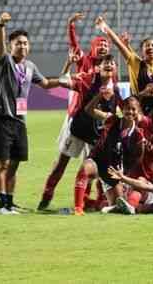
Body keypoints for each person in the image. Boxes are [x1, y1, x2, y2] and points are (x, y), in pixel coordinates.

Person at [0, 12, 70, 214]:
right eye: (18, 43)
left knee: (15, 164)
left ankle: (10, 201)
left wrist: (66, 76)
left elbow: (45, 84)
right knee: (3, 163)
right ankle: (2, 205)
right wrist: (0, 26)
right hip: (2, 118)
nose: (23, 46)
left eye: (25, 43)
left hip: (20, 120)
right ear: (11, 46)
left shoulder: (30, 67)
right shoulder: (5, 61)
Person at [37, 54, 120, 210]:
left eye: (112, 64)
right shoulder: (87, 80)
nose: (109, 66)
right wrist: (68, 63)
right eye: (105, 64)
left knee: (92, 170)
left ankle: (85, 201)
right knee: (61, 164)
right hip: (77, 130)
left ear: (115, 69)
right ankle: (46, 197)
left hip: (94, 134)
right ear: (98, 67)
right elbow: (62, 81)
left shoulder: (114, 88)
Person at [72, 96, 147, 215]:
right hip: (99, 161)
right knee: (85, 168)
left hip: (113, 172)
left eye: (133, 109)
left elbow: (138, 158)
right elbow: (89, 110)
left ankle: (108, 206)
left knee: (119, 203)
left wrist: (124, 175)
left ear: (138, 111)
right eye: (128, 108)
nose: (130, 112)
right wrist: (98, 96)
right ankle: (78, 208)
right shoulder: (112, 119)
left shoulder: (138, 135)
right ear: (122, 109)